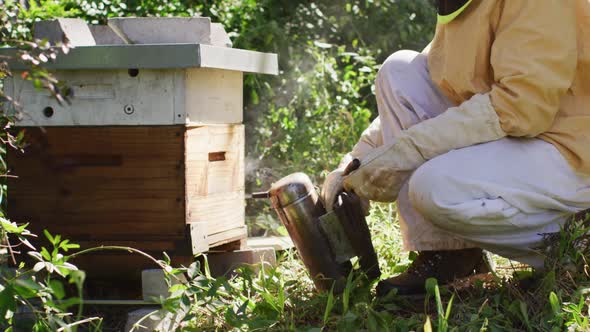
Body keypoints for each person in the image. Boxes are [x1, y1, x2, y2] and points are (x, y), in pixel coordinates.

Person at [321, 0, 590, 295]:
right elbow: (443, 77)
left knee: (434, 187)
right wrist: (356, 160)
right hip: (527, 137)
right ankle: (452, 256)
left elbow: (522, 106)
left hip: (572, 150)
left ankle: (577, 245)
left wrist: (411, 149)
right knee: (399, 71)